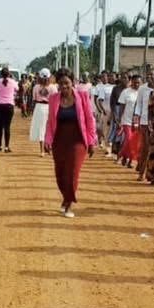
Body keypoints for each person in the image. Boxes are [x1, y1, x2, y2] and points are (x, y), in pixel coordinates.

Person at [44, 68, 97, 218]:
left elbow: (89, 120)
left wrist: (92, 142)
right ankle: (66, 197)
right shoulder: (54, 99)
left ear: (72, 82)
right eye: (61, 83)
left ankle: (68, 204)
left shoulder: (82, 97)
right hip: (59, 140)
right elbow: (50, 122)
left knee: (72, 173)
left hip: (78, 141)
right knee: (60, 175)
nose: (64, 86)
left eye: (67, 83)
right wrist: (48, 140)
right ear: (58, 85)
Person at [118, 73, 142, 168]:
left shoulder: (142, 92)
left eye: (138, 83)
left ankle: (128, 158)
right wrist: (120, 119)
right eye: (135, 82)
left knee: (134, 141)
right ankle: (123, 154)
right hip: (126, 120)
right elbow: (122, 107)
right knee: (129, 139)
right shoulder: (126, 92)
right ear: (131, 82)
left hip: (137, 120)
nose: (137, 85)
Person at [30, 68, 55, 156]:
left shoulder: (36, 87)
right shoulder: (52, 87)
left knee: (41, 129)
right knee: (49, 128)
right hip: (49, 107)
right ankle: (48, 147)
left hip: (39, 107)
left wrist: (32, 110)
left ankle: (42, 151)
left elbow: (33, 99)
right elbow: (55, 100)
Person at [0, 67, 17, 153]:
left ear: (1, 74)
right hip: (9, 105)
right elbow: (17, 90)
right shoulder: (13, 82)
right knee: (7, 127)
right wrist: (12, 79)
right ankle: (6, 147)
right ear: (9, 74)